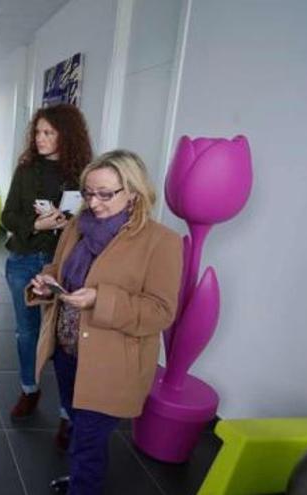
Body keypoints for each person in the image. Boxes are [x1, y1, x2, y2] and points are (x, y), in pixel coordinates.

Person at [26, 150, 182, 495]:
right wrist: (45, 281)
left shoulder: (161, 242)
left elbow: (160, 311)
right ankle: (83, 479)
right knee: (80, 427)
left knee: (88, 440)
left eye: (104, 194)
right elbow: (58, 268)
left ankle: (84, 486)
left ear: (134, 192)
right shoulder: (78, 227)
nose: (93, 203)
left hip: (111, 365)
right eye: (87, 192)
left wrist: (100, 299)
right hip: (68, 352)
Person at [0, 104, 92, 443]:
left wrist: (69, 222)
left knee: (65, 339)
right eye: (38, 132)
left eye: (48, 132)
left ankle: (68, 413)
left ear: (66, 135)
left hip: (65, 263)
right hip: (23, 259)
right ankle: (30, 388)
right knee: (26, 332)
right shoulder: (26, 170)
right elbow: (8, 216)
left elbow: (96, 221)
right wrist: (36, 223)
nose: (40, 138)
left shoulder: (85, 174)